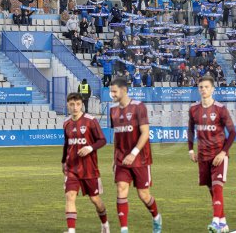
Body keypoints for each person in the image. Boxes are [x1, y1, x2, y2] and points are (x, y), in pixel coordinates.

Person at [109, 78, 162, 233]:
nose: (112, 94)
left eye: (114, 91)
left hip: (140, 158)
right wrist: (115, 158)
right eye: (111, 91)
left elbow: (145, 133)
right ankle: (124, 229)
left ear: (124, 90)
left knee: (143, 195)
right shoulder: (113, 110)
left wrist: (133, 153)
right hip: (121, 159)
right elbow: (117, 136)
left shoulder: (139, 107)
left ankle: (156, 217)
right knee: (121, 188)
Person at [188, 76, 236, 233]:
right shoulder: (193, 109)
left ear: (213, 89)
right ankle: (223, 222)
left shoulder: (220, 109)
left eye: (206, 87)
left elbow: (233, 133)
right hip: (203, 156)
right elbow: (190, 130)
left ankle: (215, 222)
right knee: (212, 190)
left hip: (218, 155)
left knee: (217, 188)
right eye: (201, 87)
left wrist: (223, 153)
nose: (203, 89)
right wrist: (191, 149)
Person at [62, 93, 109, 233]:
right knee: (70, 196)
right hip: (72, 169)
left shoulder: (91, 121)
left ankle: (105, 224)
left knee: (95, 200)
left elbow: (102, 140)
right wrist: (63, 161)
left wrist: (90, 148)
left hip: (89, 169)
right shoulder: (66, 123)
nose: (75, 107)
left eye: (77, 104)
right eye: (72, 104)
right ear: (67, 105)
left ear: (81, 104)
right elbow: (67, 144)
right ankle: (71, 231)